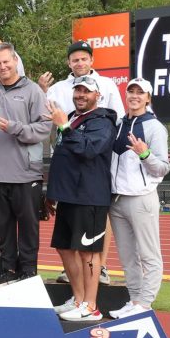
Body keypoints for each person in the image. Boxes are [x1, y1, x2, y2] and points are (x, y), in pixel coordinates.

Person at [42, 40, 124, 285]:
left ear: (92, 61)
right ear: (69, 62)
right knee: (67, 236)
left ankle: (102, 266)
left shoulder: (107, 85)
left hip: (93, 161)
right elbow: (48, 124)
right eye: (75, 59)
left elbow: (116, 121)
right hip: (67, 164)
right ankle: (76, 281)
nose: (79, 63)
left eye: (84, 58)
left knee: (96, 221)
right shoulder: (57, 88)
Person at [0, 43, 52, 286]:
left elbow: (44, 128)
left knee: (29, 227)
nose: (2, 67)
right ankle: (8, 269)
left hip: (25, 173)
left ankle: (29, 271)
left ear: (15, 61)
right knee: (3, 227)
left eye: (6, 62)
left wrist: (15, 128)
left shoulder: (32, 91)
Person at [46, 76, 117, 322]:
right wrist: (52, 193)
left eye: (86, 91)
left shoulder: (104, 121)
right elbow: (62, 158)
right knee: (64, 247)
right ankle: (78, 300)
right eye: (77, 90)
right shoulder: (73, 118)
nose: (80, 95)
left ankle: (91, 306)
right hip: (68, 195)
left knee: (88, 253)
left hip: (90, 196)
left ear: (98, 95)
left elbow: (89, 150)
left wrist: (65, 127)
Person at [108, 78, 169, 318]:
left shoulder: (155, 127)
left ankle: (145, 303)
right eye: (130, 91)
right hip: (117, 200)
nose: (134, 96)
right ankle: (134, 300)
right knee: (126, 255)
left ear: (148, 98)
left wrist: (145, 154)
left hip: (141, 199)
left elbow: (162, 168)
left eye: (139, 93)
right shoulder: (120, 123)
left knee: (149, 254)